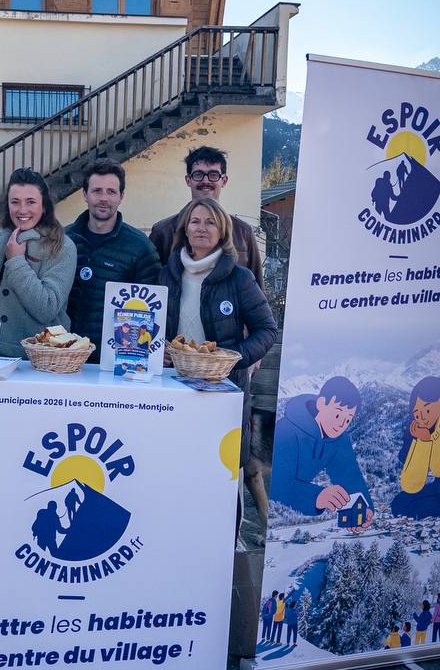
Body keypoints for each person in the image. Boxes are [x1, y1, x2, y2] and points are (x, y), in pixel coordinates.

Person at [159, 198, 277, 493]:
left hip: (224, 392)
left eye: (210, 222)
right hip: (175, 390)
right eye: (195, 221)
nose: (202, 228)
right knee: (177, 469)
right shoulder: (167, 275)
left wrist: (234, 359)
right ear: (184, 229)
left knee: (223, 478)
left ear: (222, 231)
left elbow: (267, 329)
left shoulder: (240, 278)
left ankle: (230, 537)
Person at [66, 159, 160, 357]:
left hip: (113, 358)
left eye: (111, 191)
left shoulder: (140, 247)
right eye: (97, 191)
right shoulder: (63, 240)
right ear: (85, 194)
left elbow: (151, 311)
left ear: (121, 196)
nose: (104, 198)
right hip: (64, 354)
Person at [0, 168, 77, 358]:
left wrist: (16, 261)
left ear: (44, 206)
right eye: (15, 202)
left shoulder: (62, 246)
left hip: (37, 360)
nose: (22, 210)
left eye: (31, 202)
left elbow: (46, 308)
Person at [149, 146, 263, 285]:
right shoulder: (163, 232)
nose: (206, 181)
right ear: (188, 180)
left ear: (224, 181)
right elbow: (151, 288)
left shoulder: (243, 232)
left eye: (213, 175)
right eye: (198, 174)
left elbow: (257, 289)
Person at [271, 376, 374, 525]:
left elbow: (349, 475)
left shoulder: (339, 439)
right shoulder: (286, 431)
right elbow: (276, 482)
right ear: (321, 404)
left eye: (348, 420)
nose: (341, 424)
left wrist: (365, 509)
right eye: (338, 414)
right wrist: (316, 497)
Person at [390, 377, 440, 519]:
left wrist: (428, 440)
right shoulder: (418, 428)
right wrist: (422, 441)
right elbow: (411, 484)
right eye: (417, 413)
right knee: (400, 504)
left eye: (428, 409)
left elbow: (437, 468)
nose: (422, 417)